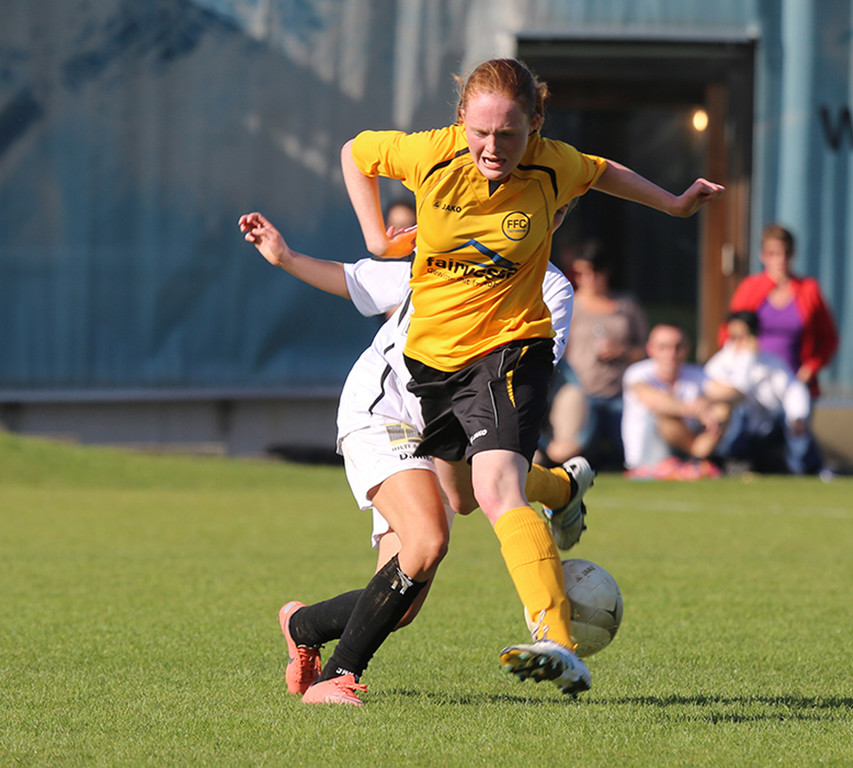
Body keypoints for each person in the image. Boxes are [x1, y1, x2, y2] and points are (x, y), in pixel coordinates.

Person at [339, 57, 723, 697]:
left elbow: (603, 171)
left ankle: (558, 642)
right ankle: (561, 488)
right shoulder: (428, 153)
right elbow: (355, 152)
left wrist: (675, 204)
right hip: (432, 364)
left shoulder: (554, 164)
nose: (492, 148)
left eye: (509, 134)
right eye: (480, 132)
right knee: (463, 496)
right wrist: (377, 238)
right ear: (461, 120)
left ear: (536, 124)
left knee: (494, 490)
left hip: (510, 349)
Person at [239, 206, 594, 706]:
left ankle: (303, 625)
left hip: (450, 424)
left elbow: (520, 381)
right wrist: (286, 257)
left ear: (557, 217)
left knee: (401, 605)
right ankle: (336, 679)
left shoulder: (552, 289)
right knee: (428, 541)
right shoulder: (454, 252)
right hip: (384, 409)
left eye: (547, 208)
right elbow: (357, 280)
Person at [542, 239, 648, 469]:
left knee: (625, 456)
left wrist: (622, 352)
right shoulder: (568, 303)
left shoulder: (626, 306)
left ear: (604, 272)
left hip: (621, 395)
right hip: (581, 395)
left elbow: (646, 352)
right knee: (581, 455)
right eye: (579, 274)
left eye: (591, 273)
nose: (586, 279)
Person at [722, 223, 838, 398]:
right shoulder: (750, 288)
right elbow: (728, 333)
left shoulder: (809, 289)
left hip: (795, 381)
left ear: (793, 254)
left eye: (786, 253)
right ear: (763, 255)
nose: (780, 260)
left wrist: (810, 368)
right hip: (754, 382)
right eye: (773, 253)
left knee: (797, 414)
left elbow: (829, 339)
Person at [705, 311, 821, 475]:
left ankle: (804, 466)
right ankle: (728, 461)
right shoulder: (719, 363)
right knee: (737, 410)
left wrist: (797, 416)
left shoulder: (771, 362)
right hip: (734, 433)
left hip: (768, 431)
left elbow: (793, 389)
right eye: (734, 336)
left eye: (744, 336)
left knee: (792, 422)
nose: (739, 342)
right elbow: (739, 389)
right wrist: (747, 358)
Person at [621, 324, 729, 478]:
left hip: (688, 444)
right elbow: (652, 399)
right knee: (665, 415)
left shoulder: (696, 373)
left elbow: (734, 393)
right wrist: (697, 412)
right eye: (663, 347)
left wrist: (707, 401)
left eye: (678, 347)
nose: (671, 353)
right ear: (650, 349)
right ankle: (693, 460)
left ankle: (696, 458)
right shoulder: (637, 373)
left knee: (723, 408)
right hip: (647, 457)